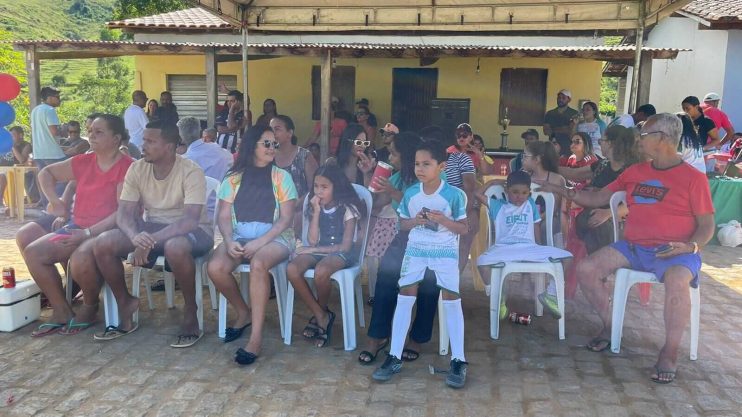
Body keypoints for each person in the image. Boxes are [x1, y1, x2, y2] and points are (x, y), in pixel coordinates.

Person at [535, 113, 715, 384]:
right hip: (633, 247)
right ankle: (610, 325)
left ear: (663, 139)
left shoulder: (693, 178)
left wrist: (691, 246)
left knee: (678, 282)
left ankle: (670, 351)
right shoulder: (636, 171)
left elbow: (707, 225)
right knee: (586, 269)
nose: (638, 140)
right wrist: (561, 190)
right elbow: (596, 197)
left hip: (675, 252)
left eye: (644, 135)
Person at [92, 120, 213, 347]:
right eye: (143, 140)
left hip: (195, 230)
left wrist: (149, 240)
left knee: (175, 247)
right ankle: (125, 302)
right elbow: (124, 214)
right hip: (153, 227)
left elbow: (189, 221)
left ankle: (191, 309)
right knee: (103, 243)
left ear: (168, 146)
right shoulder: (138, 168)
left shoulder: (190, 171)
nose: (143, 145)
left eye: (150, 141)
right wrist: (135, 236)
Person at [24, 114, 134, 337]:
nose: (91, 135)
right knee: (33, 253)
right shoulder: (84, 161)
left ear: (116, 138)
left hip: (111, 231)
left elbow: (121, 213)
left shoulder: (127, 167)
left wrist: (86, 233)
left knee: (80, 258)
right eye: (91, 130)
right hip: (78, 226)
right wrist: (56, 201)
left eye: (99, 132)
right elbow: (46, 173)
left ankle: (90, 306)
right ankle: (61, 311)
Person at [373, 140, 469, 388]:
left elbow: (464, 228)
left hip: (445, 252)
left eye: (427, 164)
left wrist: (443, 220)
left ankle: (458, 359)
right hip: (415, 249)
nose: (420, 169)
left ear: (442, 166)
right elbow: (402, 224)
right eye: (417, 164)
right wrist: (416, 221)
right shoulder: (412, 194)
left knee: (451, 300)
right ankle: (394, 355)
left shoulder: (455, 195)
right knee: (405, 297)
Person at [206, 125, 297, 365]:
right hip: (239, 235)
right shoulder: (233, 177)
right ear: (252, 146)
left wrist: (260, 242)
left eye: (274, 144)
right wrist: (228, 240)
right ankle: (243, 311)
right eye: (266, 143)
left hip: (275, 237)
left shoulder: (282, 176)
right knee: (215, 268)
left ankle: (256, 338)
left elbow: (287, 219)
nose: (272, 148)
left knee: (258, 264)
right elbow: (223, 216)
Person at [360, 132, 440, 365]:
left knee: (428, 282)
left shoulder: (432, 178)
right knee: (386, 276)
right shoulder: (397, 178)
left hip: (431, 239)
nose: (391, 157)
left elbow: (426, 212)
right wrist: (368, 175)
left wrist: (394, 193)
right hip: (404, 237)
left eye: (394, 153)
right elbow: (374, 204)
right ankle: (377, 336)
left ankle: (417, 338)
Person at [287, 164, 365, 348]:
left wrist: (312, 250)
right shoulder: (315, 206)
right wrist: (316, 213)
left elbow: (345, 246)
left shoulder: (348, 208)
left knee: (322, 271)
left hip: (342, 253)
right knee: (292, 269)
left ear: (336, 187)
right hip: (320, 249)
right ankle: (321, 315)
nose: (319, 191)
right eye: (316, 186)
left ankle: (320, 315)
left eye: (324, 187)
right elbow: (313, 241)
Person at [476, 171, 571, 310]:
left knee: (568, 257)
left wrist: (538, 246)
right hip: (504, 249)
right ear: (507, 190)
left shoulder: (530, 204)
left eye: (524, 193)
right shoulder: (498, 205)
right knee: (481, 261)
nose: (520, 196)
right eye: (515, 192)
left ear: (529, 193)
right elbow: (477, 194)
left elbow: (536, 225)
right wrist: (493, 182)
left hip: (529, 248)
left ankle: (550, 294)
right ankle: (496, 295)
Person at [178, 116, 233, 219]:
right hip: (225, 212)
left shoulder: (185, 162)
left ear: (180, 138)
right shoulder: (224, 153)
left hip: (197, 216)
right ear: (200, 132)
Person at [270, 115, 319, 229]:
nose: (273, 133)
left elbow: (315, 188)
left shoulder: (304, 155)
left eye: (277, 129)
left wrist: (296, 204)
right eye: (270, 129)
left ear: (290, 133)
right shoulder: (268, 156)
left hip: (299, 211)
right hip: (271, 211)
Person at [444, 123, 481, 273]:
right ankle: (451, 284)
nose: (461, 137)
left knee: (462, 246)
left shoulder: (463, 158)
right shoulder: (457, 157)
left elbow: (470, 191)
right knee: (461, 247)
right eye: (458, 134)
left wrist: (463, 216)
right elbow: (470, 190)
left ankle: (451, 283)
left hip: (461, 207)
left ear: (471, 137)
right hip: (453, 208)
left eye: (465, 134)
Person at [30, 87, 66, 207]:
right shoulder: (50, 110)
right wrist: (64, 130)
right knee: (63, 179)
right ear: (50, 98)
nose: (59, 100)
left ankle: (46, 206)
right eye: (57, 97)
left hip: (39, 152)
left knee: (43, 179)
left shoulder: (35, 110)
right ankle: (58, 206)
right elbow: (54, 131)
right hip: (52, 153)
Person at [0, 126, 33, 209]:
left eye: (12, 135)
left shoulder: (26, 145)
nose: (10, 138)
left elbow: (22, 160)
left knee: (2, 176)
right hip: (3, 168)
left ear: (20, 135)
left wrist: (12, 147)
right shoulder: (4, 145)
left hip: (17, 171)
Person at [543, 89, 579, 156]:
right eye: (559, 97)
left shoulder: (574, 113)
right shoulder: (550, 113)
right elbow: (546, 131)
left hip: (569, 147)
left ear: (569, 100)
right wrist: (565, 128)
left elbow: (572, 132)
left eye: (563, 98)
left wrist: (553, 129)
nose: (560, 100)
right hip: (553, 146)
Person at [216, 90, 249, 154]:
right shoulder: (223, 112)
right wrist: (238, 127)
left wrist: (231, 110)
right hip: (220, 151)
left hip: (235, 152)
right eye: (228, 101)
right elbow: (220, 129)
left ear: (238, 102)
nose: (229, 103)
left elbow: (231, 126)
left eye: (232, 101)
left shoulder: (243, 115)